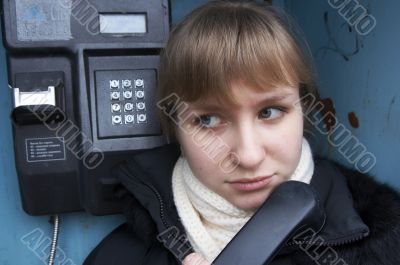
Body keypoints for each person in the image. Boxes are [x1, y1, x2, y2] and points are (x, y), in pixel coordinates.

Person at [84, 1, 400, 264]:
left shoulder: (384, 238)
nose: (248, 156)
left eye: (270, 112)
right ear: (176, 129)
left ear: (303, 109)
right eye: (207, 120)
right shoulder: (119, 257)